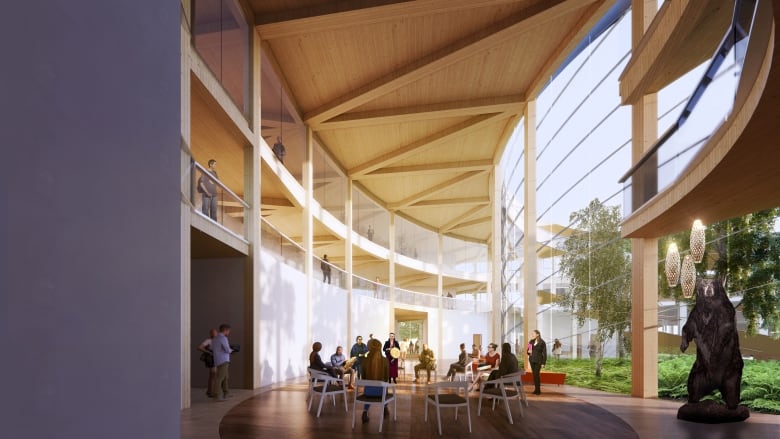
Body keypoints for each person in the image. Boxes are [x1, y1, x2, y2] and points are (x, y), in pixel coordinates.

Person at [360, 338, 389, 424]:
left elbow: (363, 378)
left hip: (368, 393)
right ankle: (385, 408)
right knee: (385, 386)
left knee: (369, 387)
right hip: (382, 394)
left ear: (369, 348)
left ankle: (365, 411)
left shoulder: (364, 360)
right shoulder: (385, 360)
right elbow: (387, 378)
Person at [213, 324, 233, 401]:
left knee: (225, 377)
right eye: (229, 331)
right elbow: (227, 350)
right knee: (220, 378)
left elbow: (212, 348)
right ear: (226, 330)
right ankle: (217, 395)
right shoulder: (223, 338)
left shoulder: (215, 338)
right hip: (224, 360)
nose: (229, 333)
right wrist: (232, 350)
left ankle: (226, 393)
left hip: (218, 360)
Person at [197, 328, 218, 398]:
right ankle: (211, 392)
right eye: (212, 333)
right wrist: (208, 352)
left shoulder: (217, 340)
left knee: (213, 375)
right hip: (212, 359)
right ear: (210, 334)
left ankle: (210, 391)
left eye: (215, 332)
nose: (214, 334)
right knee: (213, 375)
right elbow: (199, 347)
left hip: (217, 359)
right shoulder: (208, 340)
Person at [528, 329, 547, 395]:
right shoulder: (531, 341)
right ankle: (536, 390)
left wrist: (543, 363)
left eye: (533, 333)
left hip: (539, 360)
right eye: (532, 334)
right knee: (534, 375)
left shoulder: (542, 342)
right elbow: (528, 351)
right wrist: (529, 351)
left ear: (537, 334)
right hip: (532, 360)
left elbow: (545, 353)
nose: (532, 335)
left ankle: (538, 390)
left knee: (536, 375)